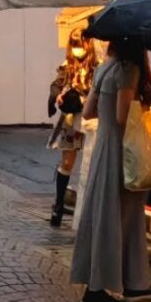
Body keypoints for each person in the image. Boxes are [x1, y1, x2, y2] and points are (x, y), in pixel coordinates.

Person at [71, 37, 151, 302]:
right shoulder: (129, 69)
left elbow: (88, 111)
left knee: (109, 214)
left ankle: (132, 282)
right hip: (122, 152)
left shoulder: (104, 68)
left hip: (103, 147)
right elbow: (125, 116)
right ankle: (99, 290)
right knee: (123, 216)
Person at [46, 34, 96, 227]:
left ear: (87, 45)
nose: (77, 49)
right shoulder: (68, 65)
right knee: (67, 161)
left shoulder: (96, 66)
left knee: (91, 162)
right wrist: (57, 96)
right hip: (71, 118)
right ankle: (58, 204)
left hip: (91, 116)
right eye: (74, 46)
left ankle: (86, 206)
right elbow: (56, 84)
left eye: (80, 45)